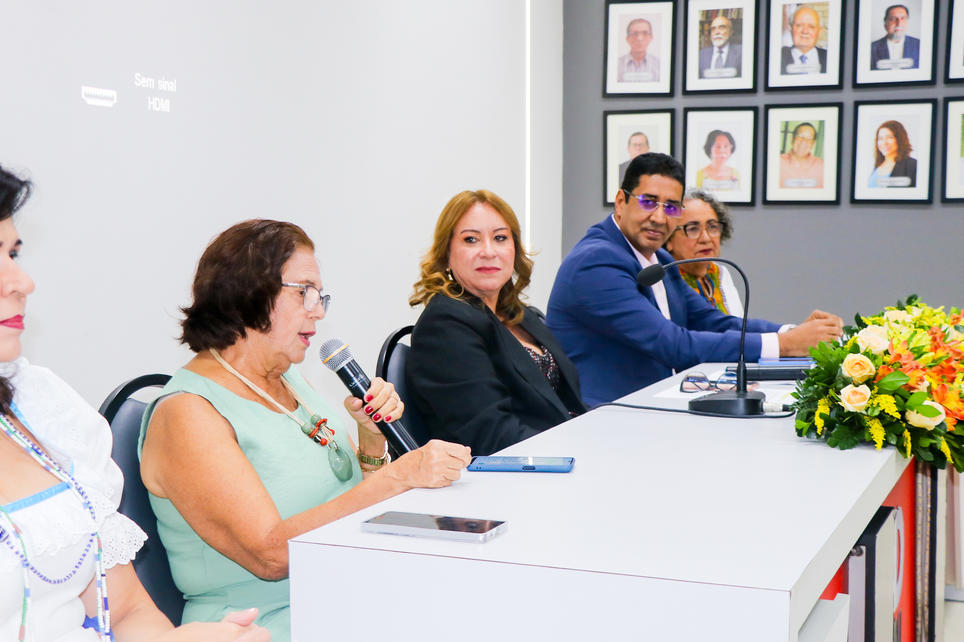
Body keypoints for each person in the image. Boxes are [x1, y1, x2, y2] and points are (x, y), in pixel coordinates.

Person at [138, 220, 472, 641]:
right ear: (249, 292)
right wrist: (400, 476)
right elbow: (272, 554)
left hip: (347, 593)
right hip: (264, 624)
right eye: (305, 293)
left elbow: (354, 498)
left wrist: (370, 439)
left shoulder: (288, 380)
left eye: (321, 296)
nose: (318, 310)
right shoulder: (187, 413)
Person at [0, 167, 268, 641]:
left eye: (13, 253)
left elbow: (124, 611)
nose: (23, 281)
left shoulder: (40, 408)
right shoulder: (191, 404)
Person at [546, 153, 844, 406]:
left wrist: (795, 331)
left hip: (654, 405)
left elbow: (712, 321)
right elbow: (672, 344)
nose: (660, 217)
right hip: (606, 418)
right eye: (649, 202)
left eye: (671, 207)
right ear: (621, 202)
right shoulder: (596, 262)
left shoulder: (659, 259)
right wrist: (784, 344)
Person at [406, 190, 587, 456]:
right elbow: (489, 434)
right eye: (471, 240)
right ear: (446, 253)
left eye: (500, 238)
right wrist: (574, 451)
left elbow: (565, 402)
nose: (488, 252)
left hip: (555, 457)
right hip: (508, 477)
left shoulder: (521, 314)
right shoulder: (445, 324)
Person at [663, 189, 742, 316]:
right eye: (693, 229)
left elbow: (740, 327)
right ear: (668, 238)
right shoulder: (663, 283)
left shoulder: (721, 274)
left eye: (712, 227)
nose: (706, 238)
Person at [870, 4, 920, 70]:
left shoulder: (919, 45)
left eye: (903, 18)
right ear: (885, 23)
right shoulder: (871, 48)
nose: (899, 23)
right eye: (893, 19)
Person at [869, 120, 917, 188]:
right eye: (880, 138)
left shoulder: (912, 165)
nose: (884, 143)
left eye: (890, 137)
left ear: (900, 139)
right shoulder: (878, 165)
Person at [780, 5, 827, 74]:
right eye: (799, 25)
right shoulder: (778, 56)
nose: (805, 31)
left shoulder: (829, 58)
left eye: (811, 26)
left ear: (820, 31)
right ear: (790, 27)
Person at [779, 122, 825, 188]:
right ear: (792, 139)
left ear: (813, 143)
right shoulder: (778, 163)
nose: (804, 141)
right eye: (800, 136)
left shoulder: (822, 166)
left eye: (809, 138)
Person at [617, 18, 660, 82]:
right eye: (634, 34)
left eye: (645, 33)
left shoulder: (659, 65)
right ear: (627, 39)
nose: (639, 38)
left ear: (651, 37)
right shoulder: (617, 65)